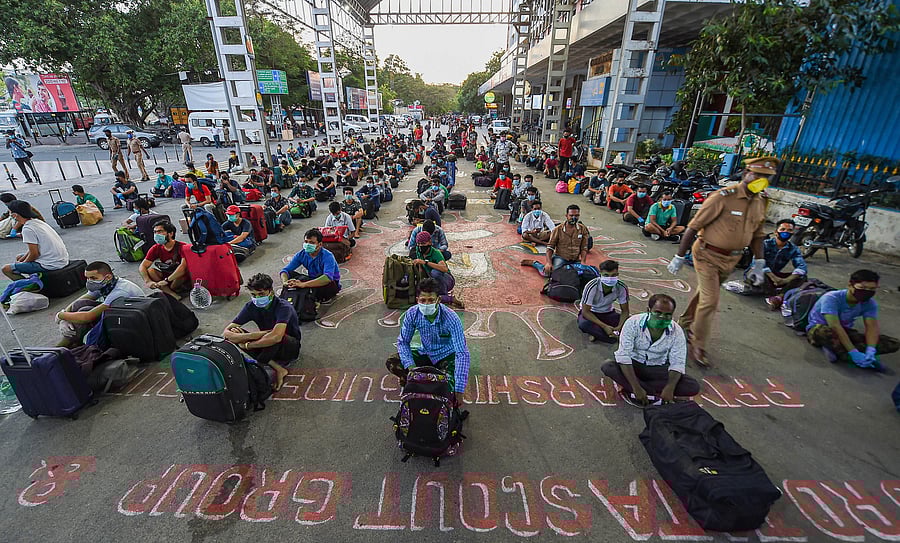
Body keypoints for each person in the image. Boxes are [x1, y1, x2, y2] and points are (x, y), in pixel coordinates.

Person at [667, 156, 775, 367]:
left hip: (732, 258)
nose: (761, 180)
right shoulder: (723, 197)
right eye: (758, 175)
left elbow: (758, 234)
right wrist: (679, 256)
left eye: (766, 177)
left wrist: (760, 262)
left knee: (705, 294)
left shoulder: (761, 201)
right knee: (711, 301)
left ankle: (686, 322)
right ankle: (698, 344)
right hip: (707, 254)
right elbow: (693, 226)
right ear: (746, 174)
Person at [385, 277, 471, 408]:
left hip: (446, 357)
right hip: (426, 353)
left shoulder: (452, 318)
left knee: (448, 388)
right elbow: (403, 342)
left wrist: (459, 390)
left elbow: (462, 353)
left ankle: (427, 379)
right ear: (417, 300)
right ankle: (409, 381)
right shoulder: (412, 314)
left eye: (431, 300)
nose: (426, 304)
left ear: (438, 300)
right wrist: (411, 367)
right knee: (393, 362)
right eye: (422, 300)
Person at [602, 294, 700, 407]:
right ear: (648, 310)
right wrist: (636, 387)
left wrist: (669, 388)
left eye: (668, 315)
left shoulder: (676, 331)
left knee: (692, 386)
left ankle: (638, 391)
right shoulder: (632, 323)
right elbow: (624, 356)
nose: (662, 318)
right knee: (608, 366)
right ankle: (645, 391)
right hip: (634, 366)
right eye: (658, 313)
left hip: (657, 368)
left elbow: (677, 362)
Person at [806, 269, 899, 368]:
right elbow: (835, 326)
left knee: (893, 343)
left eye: (872, 289)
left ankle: (846, 351)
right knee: (825, 332)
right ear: (850, 285)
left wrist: (871, 349)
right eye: (862, 288)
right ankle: (849, 355)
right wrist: (853, 352)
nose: (867, 292)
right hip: (819, 329)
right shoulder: (832, 298)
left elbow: (871, 327)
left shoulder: (870, 304)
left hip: (845, 331)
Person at [223, 273, 300, 391]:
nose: (257, 298)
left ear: (271, 292)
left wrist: (249, 345)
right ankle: (278, 368)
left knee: (276, 336)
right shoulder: (250, 306)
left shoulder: (283, 307)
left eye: (261, 294)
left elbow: (276, 337)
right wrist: (252, 336)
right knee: (235, 332)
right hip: (266, 342)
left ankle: (262, 363)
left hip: (289, 347)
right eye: (253, 295)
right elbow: (226, 333)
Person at [55, 261, 145, 347]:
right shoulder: (105, 283)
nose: (90, 281)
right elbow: (81, 300)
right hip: (120, 313)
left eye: (93, 278)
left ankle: (64, 345)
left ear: (108, 277)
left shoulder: (119, 292)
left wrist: (61, 315)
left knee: (85, 311)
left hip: (133, 321)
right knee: (80, 304)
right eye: (87, 278)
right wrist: (65, 314)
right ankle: (74, 341)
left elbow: (88, 317)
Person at [2, 201, 69, 280]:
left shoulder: (27, 229)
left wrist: (23, 263)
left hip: (51, 264)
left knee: (6, 269)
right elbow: (33, 249)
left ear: (15, 215)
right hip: (61, 259)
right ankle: (34, 278)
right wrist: (21, 261)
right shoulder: (37, 222)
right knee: (19, 257)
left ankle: (28, 286)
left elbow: (34, 254)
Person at [751, 219, 808, 308]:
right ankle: (778, 293)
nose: (786, 232)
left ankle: (779, 297)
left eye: (789, 230)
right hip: (763, 274)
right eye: (783, 229)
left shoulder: (793, 249)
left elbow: (802, 267)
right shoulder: (765, 244)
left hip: (776, 276)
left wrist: (786, 280)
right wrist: (774, 278)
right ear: (776, 232)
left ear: (792, 233)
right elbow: (757, 262)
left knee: (802, 277)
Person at [522, 204, 589, 276]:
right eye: (571, 215)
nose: (574, 218)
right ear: (566, 216)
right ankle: (535, 263)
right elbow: (550, 248)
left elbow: (584, 248)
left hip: (575, 259)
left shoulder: (583, 229)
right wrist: (549, 263)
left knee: (583, 274)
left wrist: (583, 262)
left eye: (576, 216)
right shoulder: (558, 229)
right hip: (561, 258)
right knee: (549, 273)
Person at [280, 228, 341, 302]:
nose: (308, 245)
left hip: (329, 284)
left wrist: (304, 284)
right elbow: (285, 270)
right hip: (312, 279)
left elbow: (327, 278)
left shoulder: (328, 256)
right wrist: (285, 282)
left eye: (311, 243)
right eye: (306, 242)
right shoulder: (301, 254)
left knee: (328, 283)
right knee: (290, 274)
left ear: (320, 244)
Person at [578, 259, 630, 343]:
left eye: (613, 275)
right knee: (584, 324)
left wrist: (620, 326)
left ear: (617, 274)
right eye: (606, 275)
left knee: (629, 322)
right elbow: (585, 312)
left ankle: (599, 334)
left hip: (608, 313)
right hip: (592, 313)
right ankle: (614, 337)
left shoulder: (621, 287)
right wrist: (604, 326)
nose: (609, 279)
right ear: (600, 274)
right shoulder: (591, 286)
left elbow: (625, 311)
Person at [411, 231, 463, 309]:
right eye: (419, 244)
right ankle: (448, 299)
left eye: (423, 243)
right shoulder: (419, 250)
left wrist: (426, 262)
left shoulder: (436, 253)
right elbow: (421, 269)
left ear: (429, 242)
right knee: (420, 294)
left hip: (446, 280)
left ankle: (445, 296)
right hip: (431, 279)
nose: (421, 246)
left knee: (435, 272)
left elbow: (444, 268)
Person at [139, 220, 189, 299]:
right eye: (155, 232)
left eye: (160, 231)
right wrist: (148, 281)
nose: (156, 235)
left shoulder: (183, 247)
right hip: (167, 275)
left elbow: (183, 268)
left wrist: (166, 280)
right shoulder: (156, 248)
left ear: (170, 233)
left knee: (180, 276)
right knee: (150, 271)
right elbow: (143, 266)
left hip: (179, 278)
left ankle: (172, 290)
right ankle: (171, 294)